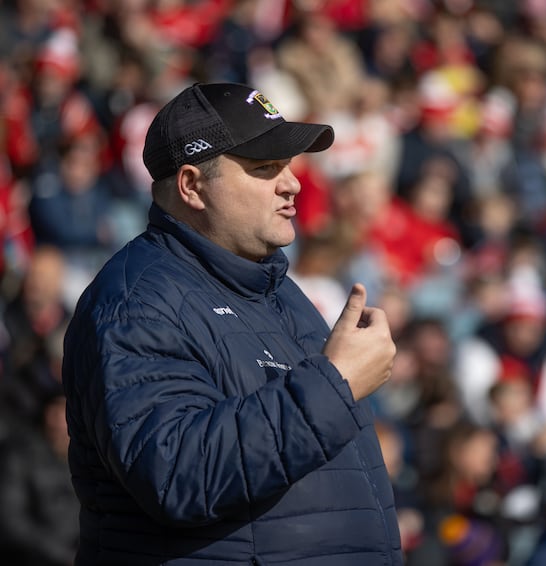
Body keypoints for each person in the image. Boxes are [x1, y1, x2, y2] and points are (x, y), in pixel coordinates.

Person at [61, 82, 402, 565]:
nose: (293, 183)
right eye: (265, 168)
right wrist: (336, 384)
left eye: (287, 165)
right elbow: (177, 474)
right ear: (191, 186)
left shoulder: (278, 290)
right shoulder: (136, 301)